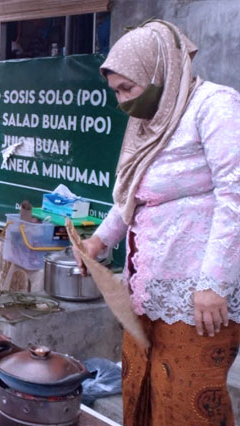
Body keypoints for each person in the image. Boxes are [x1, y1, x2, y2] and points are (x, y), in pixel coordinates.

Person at [74, 20, 240, 426]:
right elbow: (131, 196)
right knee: (142, 387)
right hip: (146, 291)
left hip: (196, 296)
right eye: (116, 92)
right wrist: (99, 242)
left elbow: (235, 195)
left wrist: (213, 284)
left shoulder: (213, 105)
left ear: (158, 70)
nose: (122, 102)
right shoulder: (147, 125)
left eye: (128, 89)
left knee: (187, 403)